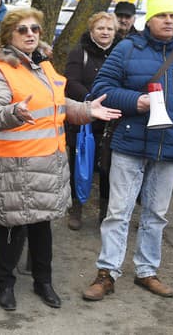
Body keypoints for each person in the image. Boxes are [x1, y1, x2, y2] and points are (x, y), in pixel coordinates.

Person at [0, 7, 120, 311]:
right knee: (11, 229)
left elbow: (58, 105)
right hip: (15, 166)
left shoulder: (44, 66)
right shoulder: (0, 70)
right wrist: (13, 113)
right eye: (23, 30)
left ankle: (44, 282)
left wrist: (85, 110)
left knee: (43, 228)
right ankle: (5, 284)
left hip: (47, 164)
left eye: (35, 29)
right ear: (8, 36)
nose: (30, 34)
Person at [83, 0, 173, 301]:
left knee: (156, 214)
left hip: (171, 148)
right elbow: (100, 90)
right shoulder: (127, 49)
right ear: (148, 21)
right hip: (130, 144)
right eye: (161, 15)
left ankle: (146, 271)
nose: (169, 20)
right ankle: (107, 272)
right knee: (118, 212)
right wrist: (134, 101)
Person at [63, 12, 118, 230]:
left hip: (111, 119)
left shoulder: (120, 52)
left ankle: (105, 210)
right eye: (100, 28)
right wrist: (91, 102)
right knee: (79, 165)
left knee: (107, 167)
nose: (105, 32)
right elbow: (71, 82)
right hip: (83, 118)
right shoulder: (80, 52)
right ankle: (76, 208)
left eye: (109, 29)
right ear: (92, 30)